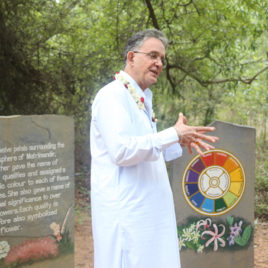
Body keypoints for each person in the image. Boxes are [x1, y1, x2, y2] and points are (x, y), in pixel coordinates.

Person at [90, 29, 218, 268]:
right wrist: (171, 134)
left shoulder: (140, 97)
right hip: (128, 212)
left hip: (149, 210)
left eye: (161, 58)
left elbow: (146, 148)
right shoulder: (112, 96)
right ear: (131, 57)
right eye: (152, 55)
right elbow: (121, 151)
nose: (158, 63)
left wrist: (176, 140)